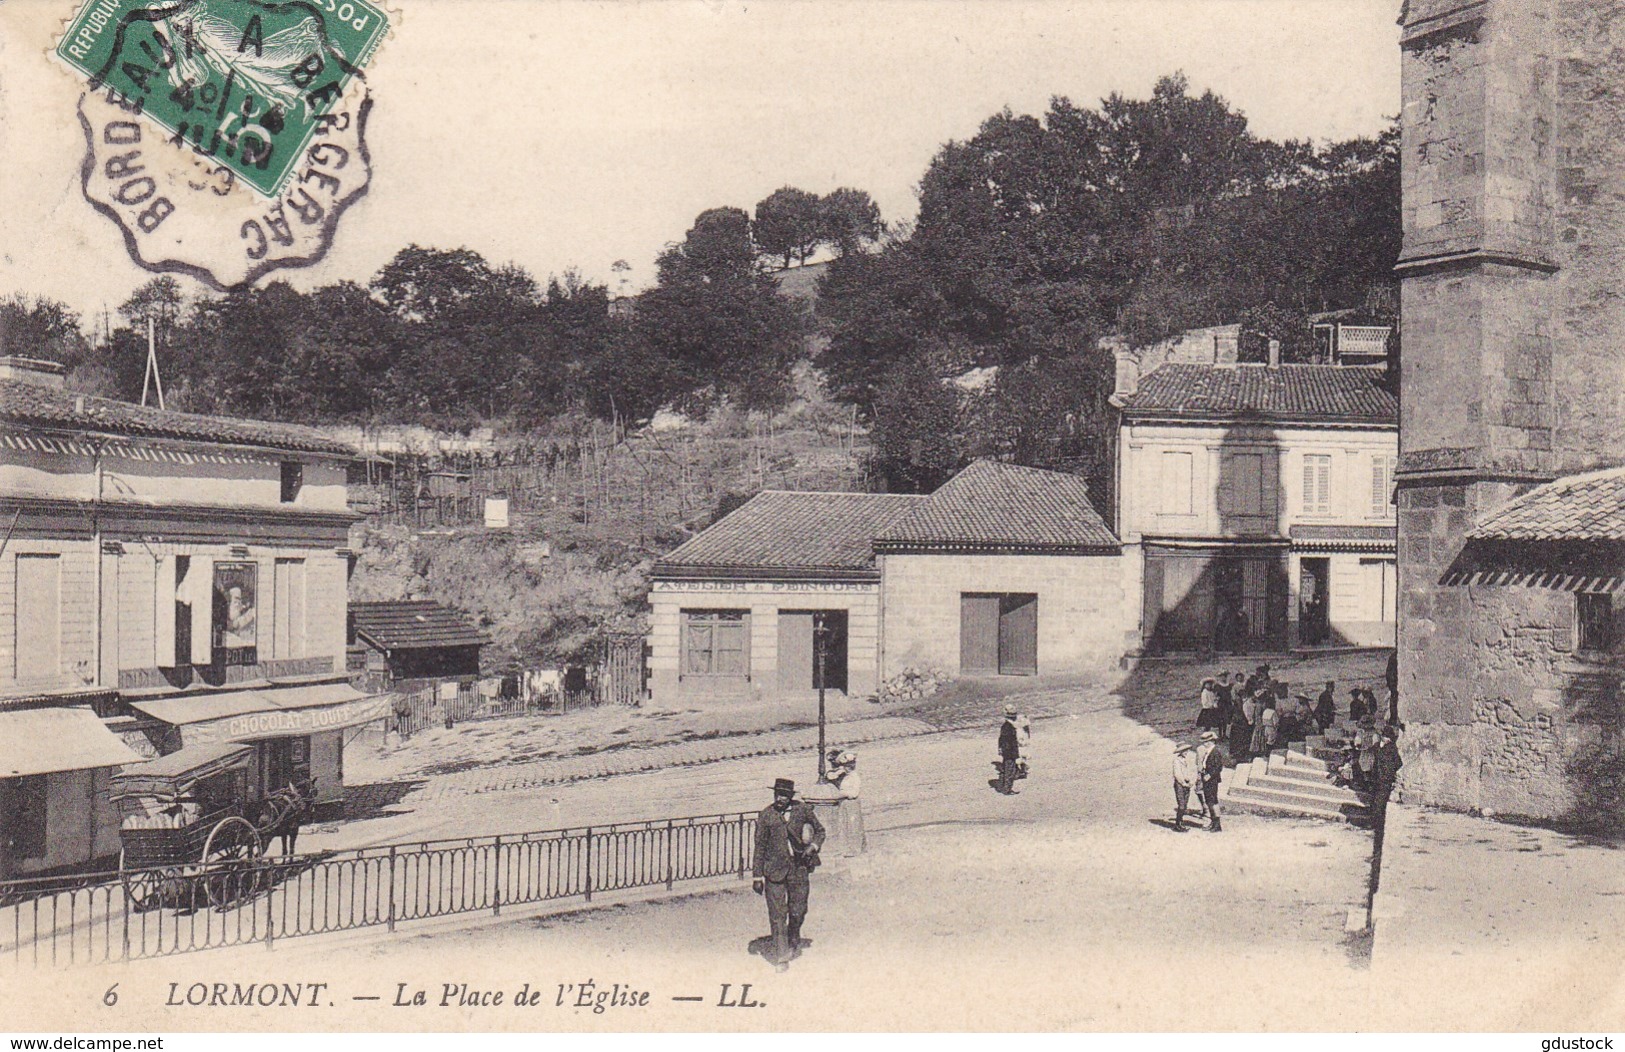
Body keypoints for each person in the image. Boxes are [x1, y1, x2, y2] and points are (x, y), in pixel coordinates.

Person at [752, 778, 825, 971]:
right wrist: (757, 876)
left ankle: (794, 937)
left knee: (798, 910)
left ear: (791, 796)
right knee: (777, 914)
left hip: (798, 868)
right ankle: (781, 957)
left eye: (784, 795)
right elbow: (759, 847)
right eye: (777, 794)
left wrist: (813, 846)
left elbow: (820, 831)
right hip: (773, 871)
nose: (780, 798)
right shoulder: (766, 815)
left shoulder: (802, 810)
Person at [1196, 730, 1224, 832]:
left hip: (1212, 780)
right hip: (1207, 779)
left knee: (1213, 802)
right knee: (1209, 801)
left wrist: (1209, 775)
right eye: (1204, 742)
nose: (1205, 744)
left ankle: (1217, 825)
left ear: (1212, 741)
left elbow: (1218, 767)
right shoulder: (1209, 751)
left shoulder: (1215, 752)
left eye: (1207, 742)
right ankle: (1213, 823)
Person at [1171, 742, 1199, 831]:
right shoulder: (1177, 761)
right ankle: (1178, 824)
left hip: (1186, 784)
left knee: (1185, 804)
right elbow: (1177, 774)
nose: (1186, 752)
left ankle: (1180, 822)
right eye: (1184, 751)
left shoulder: (1186, 760)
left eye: (1187, 750)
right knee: (1181, 805)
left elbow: (1190, 771)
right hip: (1180, 784)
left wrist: (1191, 781)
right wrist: (1184, 783)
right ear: (1180, 752)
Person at [995, 704, 1022, 794]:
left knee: (1005, 769)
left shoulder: (1005, 726)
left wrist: (1000, 749)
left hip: (1005, 750)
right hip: (1010, 751)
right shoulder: (1010, 727)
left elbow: (1001, 739)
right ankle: (1007, 789)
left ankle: (1001, 786)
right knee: (1010, 771)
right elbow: (1012, 742)